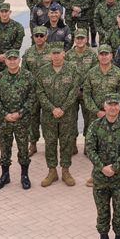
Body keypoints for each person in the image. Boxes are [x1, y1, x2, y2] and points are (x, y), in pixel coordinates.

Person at [87, 93, 120, 239]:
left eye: (116, 104)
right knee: (102, 209)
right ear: (104, 106)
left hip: (119, 177)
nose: (113, 107)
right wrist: (102, 167)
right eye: (110, 104)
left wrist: (114, 167)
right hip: (100, 177)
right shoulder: (95, 125)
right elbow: (90, 149)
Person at [36, 43, 81, 186]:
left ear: (64, 54)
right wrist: (52, 108)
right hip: (49, 115)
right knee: (50, 142)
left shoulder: (72, 69)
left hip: (67, 114)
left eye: (58, 53)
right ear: (50, 55)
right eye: (53, 53)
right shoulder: (43, 71)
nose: (56, 56)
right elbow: (40, 92)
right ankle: (52, 171)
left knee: (66, 142)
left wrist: (62, 108)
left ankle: (66, 170)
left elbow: (74, 91)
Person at [0, 52, 35, 190]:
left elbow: (32, 97)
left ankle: (24, 176)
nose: (12, 61)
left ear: (19, 60)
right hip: (5, 120)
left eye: (14, 59)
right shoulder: (1, 77)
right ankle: (5, 175)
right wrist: (4, 114)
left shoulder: (28, 76)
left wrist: (20, 113)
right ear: (5, 61)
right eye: (9, 59)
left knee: (23, 148)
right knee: (4, 149)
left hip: (22, 120)